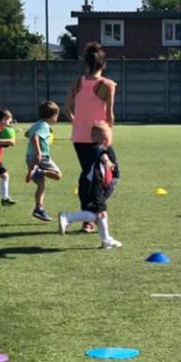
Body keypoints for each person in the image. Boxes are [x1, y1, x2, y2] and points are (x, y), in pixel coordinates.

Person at [64, 41, 117, 233]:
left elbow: (66, 108)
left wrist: (77, 123)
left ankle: (90, 215)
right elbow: (110, 115)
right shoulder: (108, 85)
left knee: (89, 175)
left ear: (86, 63)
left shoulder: (78, 82)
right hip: (98, 138)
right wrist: (107, 134)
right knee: (110, 175)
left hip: (79, 138)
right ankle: (91, 215)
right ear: (103, 65)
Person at [58, 121, 122, 249]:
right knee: (100, 213)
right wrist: (108, 162)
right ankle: (68, 217)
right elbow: (103, 156)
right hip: (93, 187)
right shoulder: (99, 150)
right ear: (104, 140)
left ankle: (106, 240)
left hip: (90, 185)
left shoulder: (97, 148)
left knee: (99, 212)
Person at [25, 101, 63, 222]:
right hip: (41, 157)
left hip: (29, 157)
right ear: (52, 116)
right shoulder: (44, 126)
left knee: (41, 185)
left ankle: (38, 208)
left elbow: (28, 134)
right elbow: (35, 136)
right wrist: (39, 152)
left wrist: (44, 140)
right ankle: (40, 171)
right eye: (57, 115)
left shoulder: (37, 124)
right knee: (58, 175)